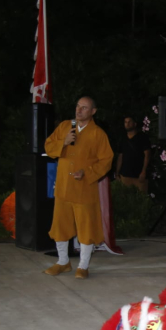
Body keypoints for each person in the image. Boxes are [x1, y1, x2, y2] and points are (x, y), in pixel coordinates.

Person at [43, 96, 114, 280]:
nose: (79, 110)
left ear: (93, 112)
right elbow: (49, 147)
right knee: (60, 225)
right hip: (63, 187)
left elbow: (106, 161)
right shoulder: (65, 126)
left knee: (86, 228)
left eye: (84, 108)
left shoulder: (98, 134)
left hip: (84, 189)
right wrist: (63, 142)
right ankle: (63, 262)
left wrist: (87, 172)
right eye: (77, 106)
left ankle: (83, 266)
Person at [115, 116, 151, 192]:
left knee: (141, 198)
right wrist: (117, 173)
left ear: (134, 124)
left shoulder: (142, 137)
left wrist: (144, 171)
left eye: (129, 122)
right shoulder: (123, 138)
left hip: (139, 175)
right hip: (125, 174)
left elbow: (147, 155)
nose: (127, 124)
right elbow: (120, 156)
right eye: (125, 122)